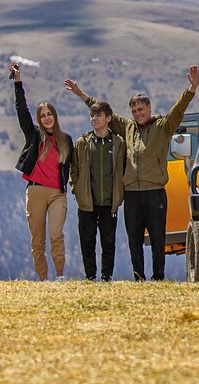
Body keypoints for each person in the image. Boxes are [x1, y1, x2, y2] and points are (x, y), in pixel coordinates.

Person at [65, 65, 198, 281]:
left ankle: (158, 277)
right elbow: (102, 111)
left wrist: (191, 89)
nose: (137, 114)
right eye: (134, 111)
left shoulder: (163, 126)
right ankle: (139, 276)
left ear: (149, 108)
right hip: (131, 194)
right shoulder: (127, 127)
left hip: (154, 191)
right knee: (134, 238)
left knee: (157, 237)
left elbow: (178, 110)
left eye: (141, 110)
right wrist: (82, 94)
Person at [12, 61, 72, 280]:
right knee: (37, 239)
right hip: (35, 191)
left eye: (50, 114)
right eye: (43, 115)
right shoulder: (34, 135)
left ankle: (60, 276)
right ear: (39, 119)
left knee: (56, 234)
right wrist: (18, 82)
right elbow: (21, 110)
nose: (47, 117)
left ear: (55, 116)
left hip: (57, 193)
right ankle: (43, 279)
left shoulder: (65, 140)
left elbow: (74, 168)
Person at [71, 100, 127, 280]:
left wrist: (119, 195)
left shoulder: (118, 143)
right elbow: (74, 168)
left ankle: (106, 277)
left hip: (110, 202)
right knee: (87, 242)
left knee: (108, 242)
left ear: (108, 118)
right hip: (87, 201)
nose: (93, 119)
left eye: (98, 115)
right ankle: (90, 277)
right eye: (92, 115)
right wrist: (76, 189)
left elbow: (124, 168)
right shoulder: (82, 142)